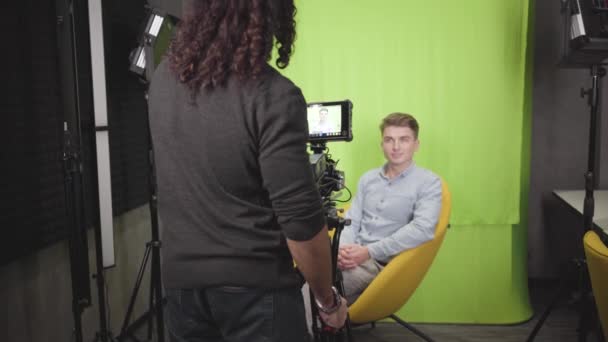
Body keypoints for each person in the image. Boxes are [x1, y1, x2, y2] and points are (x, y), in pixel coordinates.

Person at [147, 1, 347, 341]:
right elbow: (300, 221)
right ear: (269, 16)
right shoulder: (273, 96)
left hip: (182, 290)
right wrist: (327, 301)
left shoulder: (162, 84)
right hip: (257, 295)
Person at [337, 113, 442, 304]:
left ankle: (304, 331)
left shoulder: (429, 182)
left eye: (404, 139)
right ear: (382, 144)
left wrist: (368, 252)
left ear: (416, 145)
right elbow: (351, 220)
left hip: (384, 267)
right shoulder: (367, 179)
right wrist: (343, 251)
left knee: (320, 288)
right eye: (389, 140)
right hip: (351, 256)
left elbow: (422, 229)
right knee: (304, 276)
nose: (395, 147)